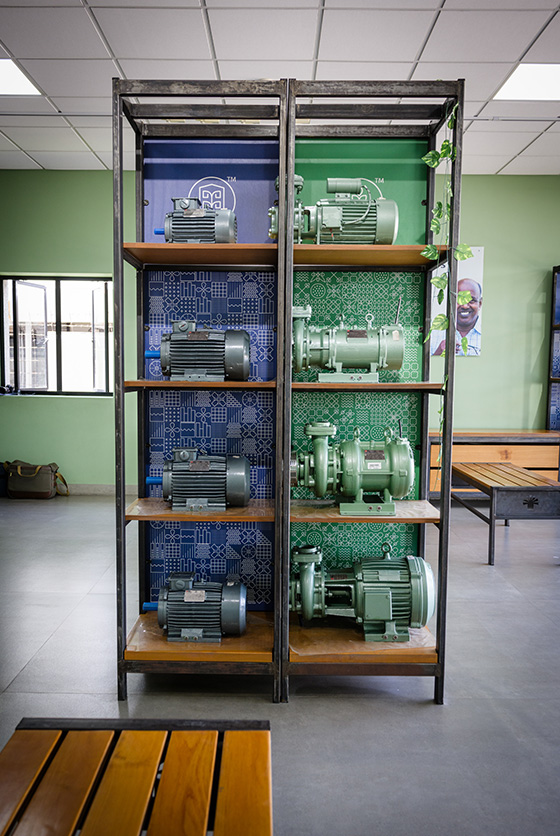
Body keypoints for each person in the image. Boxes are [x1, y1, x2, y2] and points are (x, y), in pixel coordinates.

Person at [431, 278, 482, 356]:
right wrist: (438, 353)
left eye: (471, 300)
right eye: (459, 299)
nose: (465, 306)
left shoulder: (489, 335)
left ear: (480, 304)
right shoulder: (433, 332)